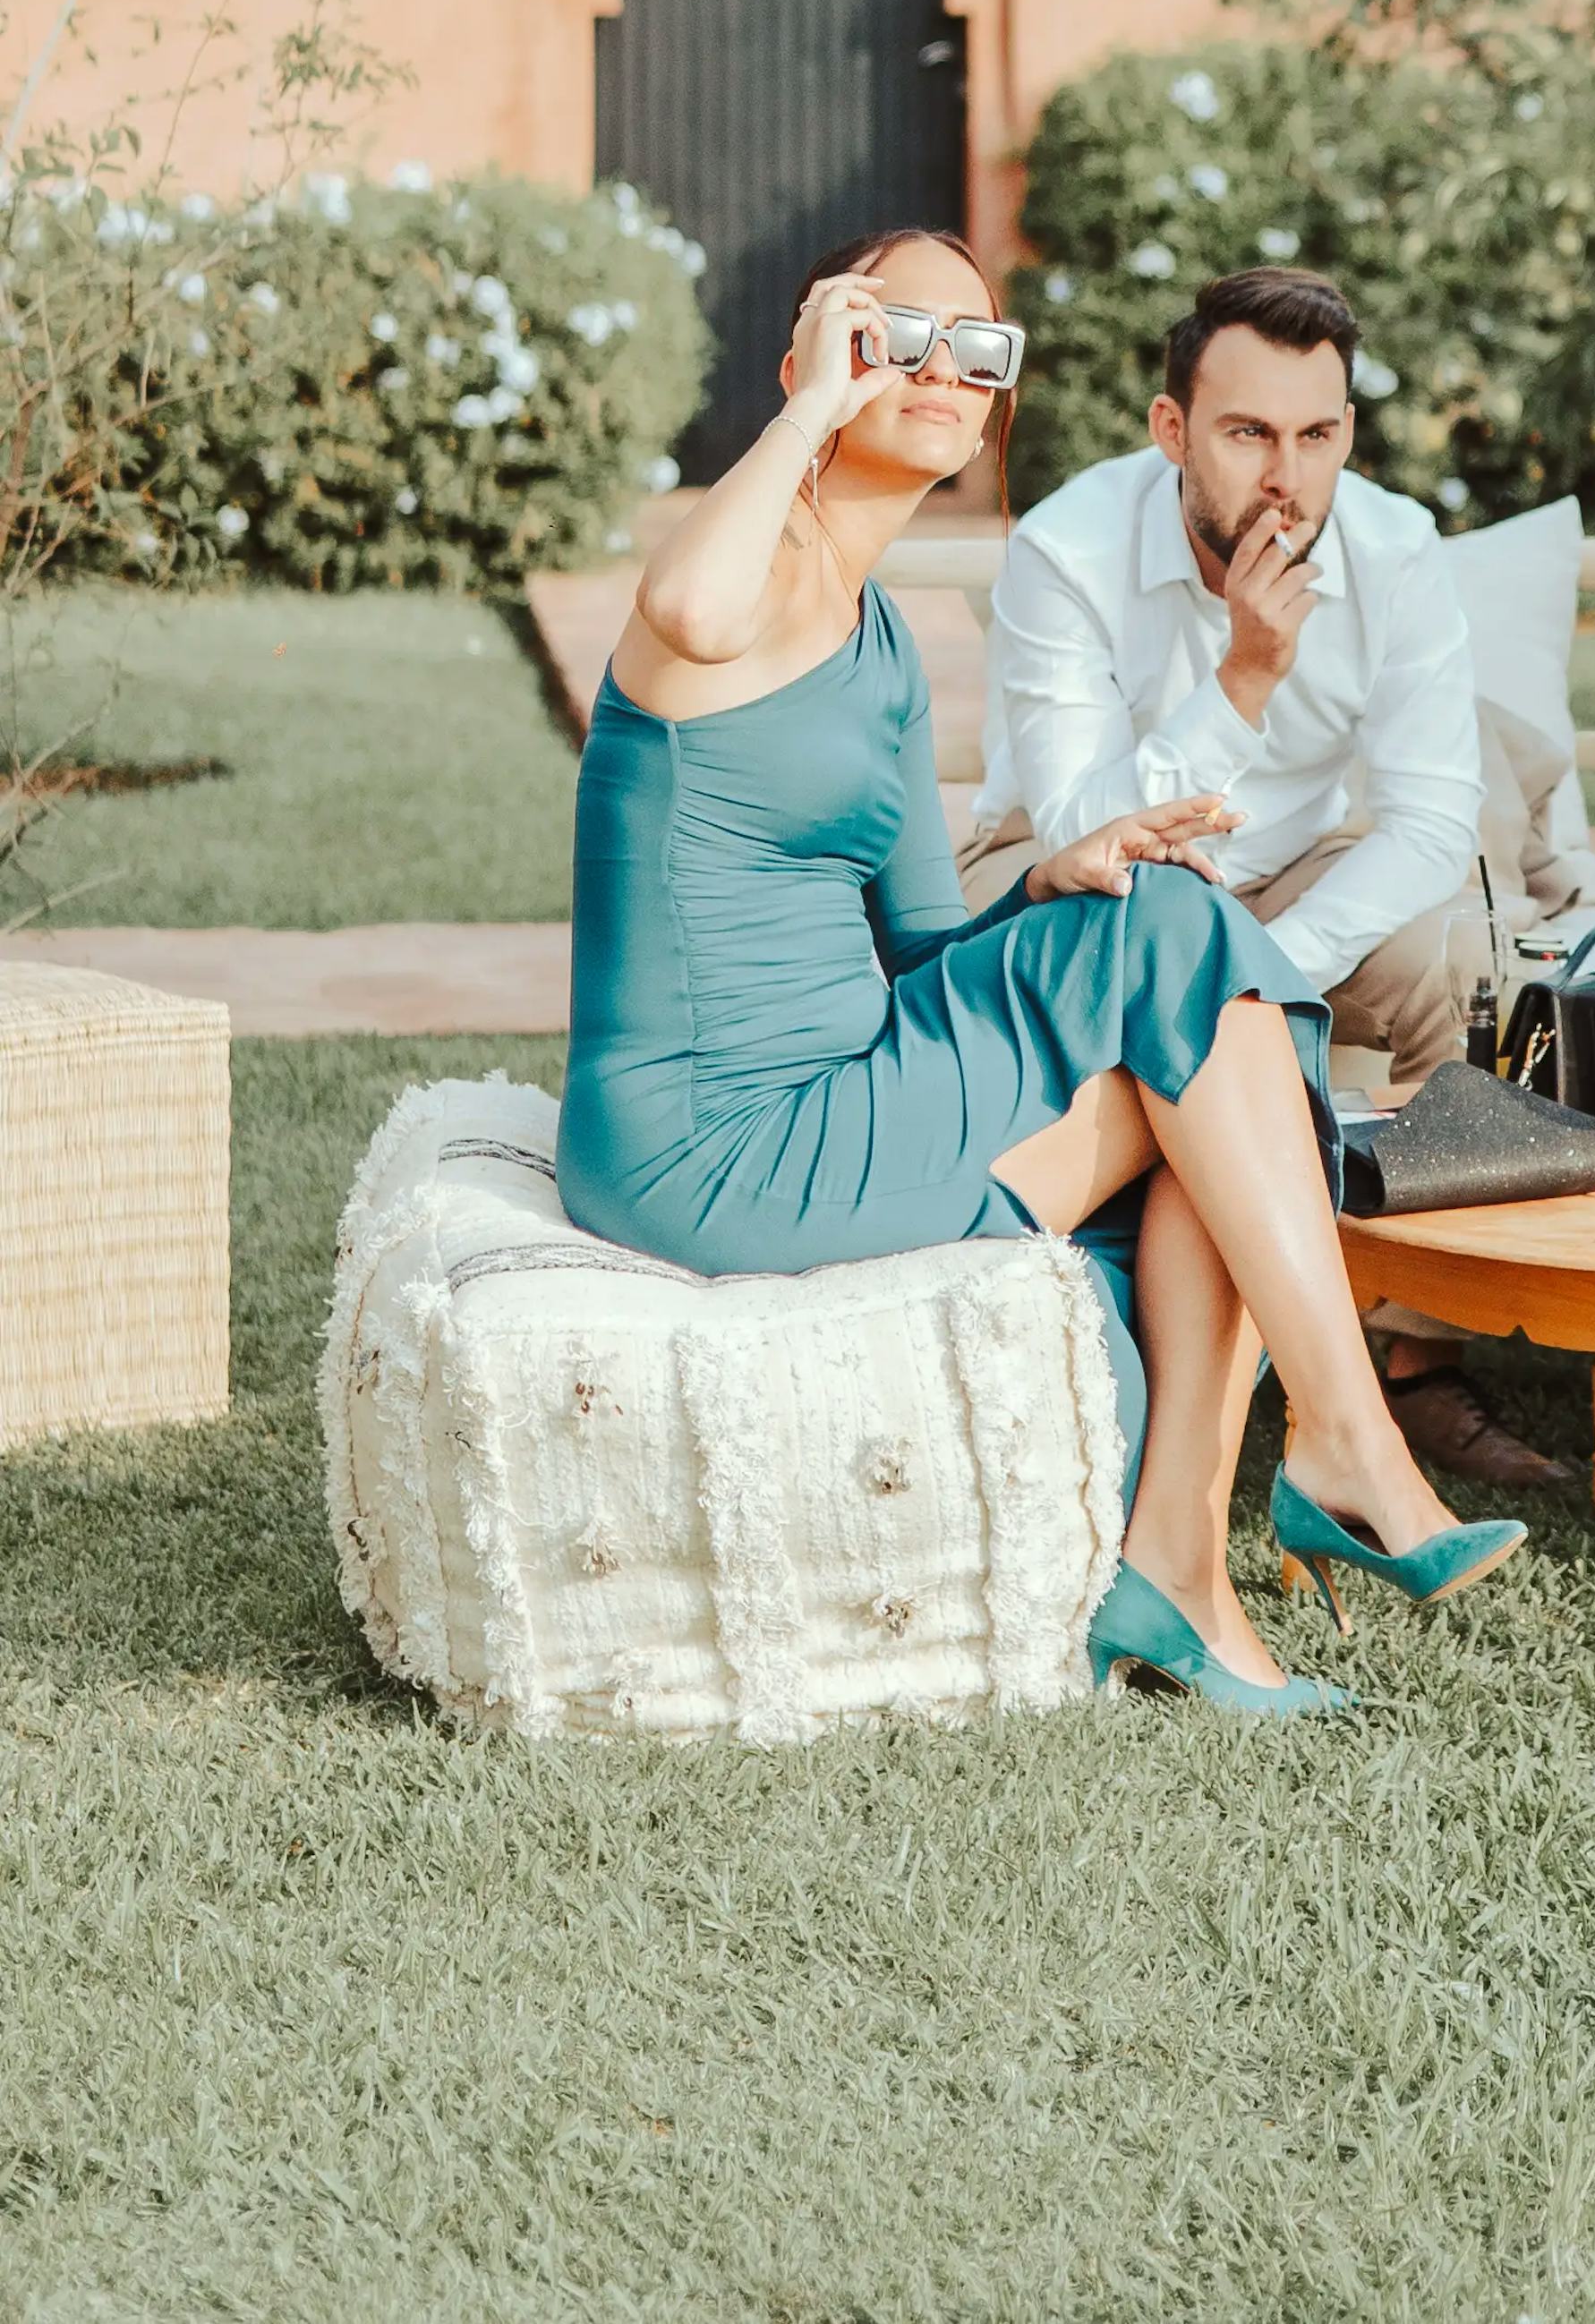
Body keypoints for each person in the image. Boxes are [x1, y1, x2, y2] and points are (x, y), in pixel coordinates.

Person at [558, 225, 1527, 1718]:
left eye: (977, 348)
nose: (944, 369)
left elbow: (918, 956)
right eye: (900, 335)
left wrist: (1060, 893)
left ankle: (1182, 1576)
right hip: (706, 1144)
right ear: (821, 348)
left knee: (1196, 1023)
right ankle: (1344, 1448)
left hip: (839, 1093)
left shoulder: (880, 644)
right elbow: (682, 608)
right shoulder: (739, 596)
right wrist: (810, 409)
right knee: (1193, 958)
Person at [971, 260, 1554, 1489]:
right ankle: (1063, 1336)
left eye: (1317, 434)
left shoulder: (1393, 552)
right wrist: (1242, 679)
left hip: (1282, 883)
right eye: (1246, 434)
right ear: (1172, 430)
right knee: (1148, 931)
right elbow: (1082, 822)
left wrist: (1265, 975)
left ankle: (1415, 1368)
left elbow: (1432, 818)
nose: (1287, 477)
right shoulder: (1067, 549)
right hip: (1070, 871)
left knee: (1433, 951)